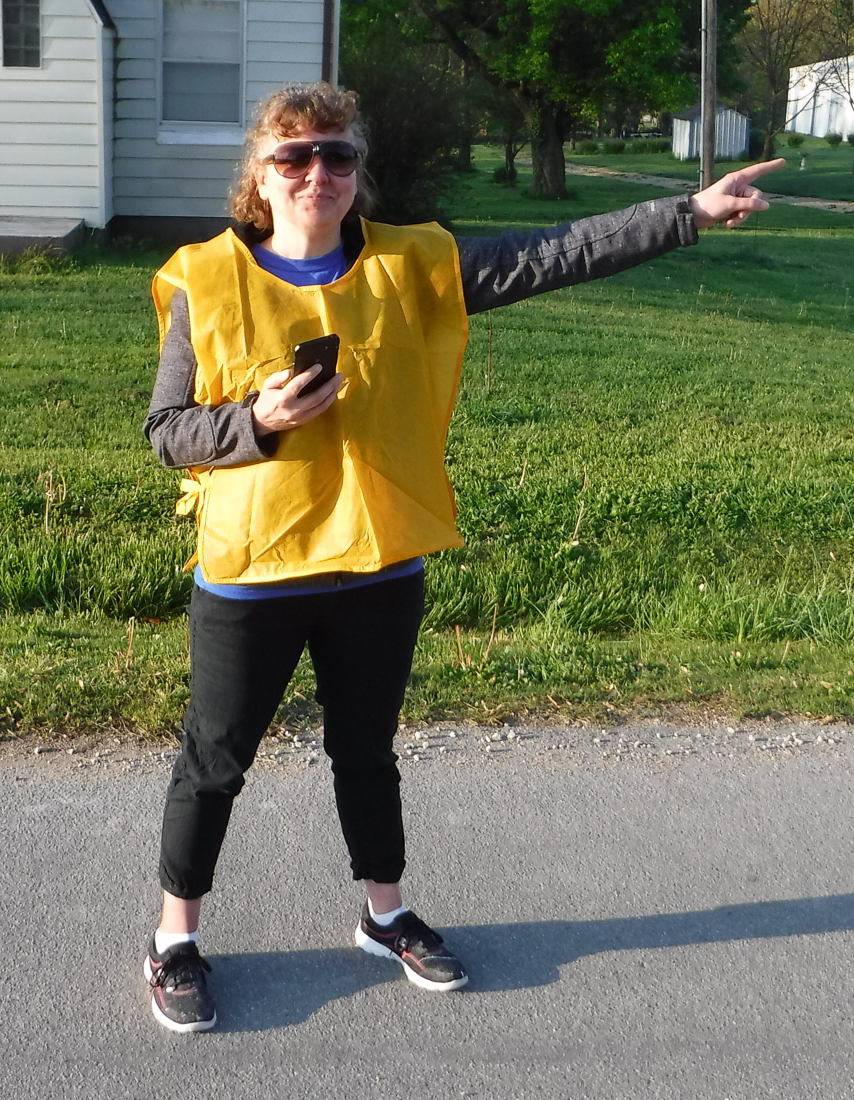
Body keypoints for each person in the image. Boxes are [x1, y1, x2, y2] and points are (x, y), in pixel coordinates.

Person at [142, 81, 784, 1033]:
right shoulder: (204, 278)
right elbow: (167, 432)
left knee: (366, 752)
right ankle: (174, 940)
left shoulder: (415, 263)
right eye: (295, 156)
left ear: (358, 171)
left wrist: (685, 213)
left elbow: (553, 252)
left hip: (380, 560)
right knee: (215, 760)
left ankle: (385, 916)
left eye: (337, 155)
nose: (318, 172)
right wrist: (257, 421)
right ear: (261, 178)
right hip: (253, 568)